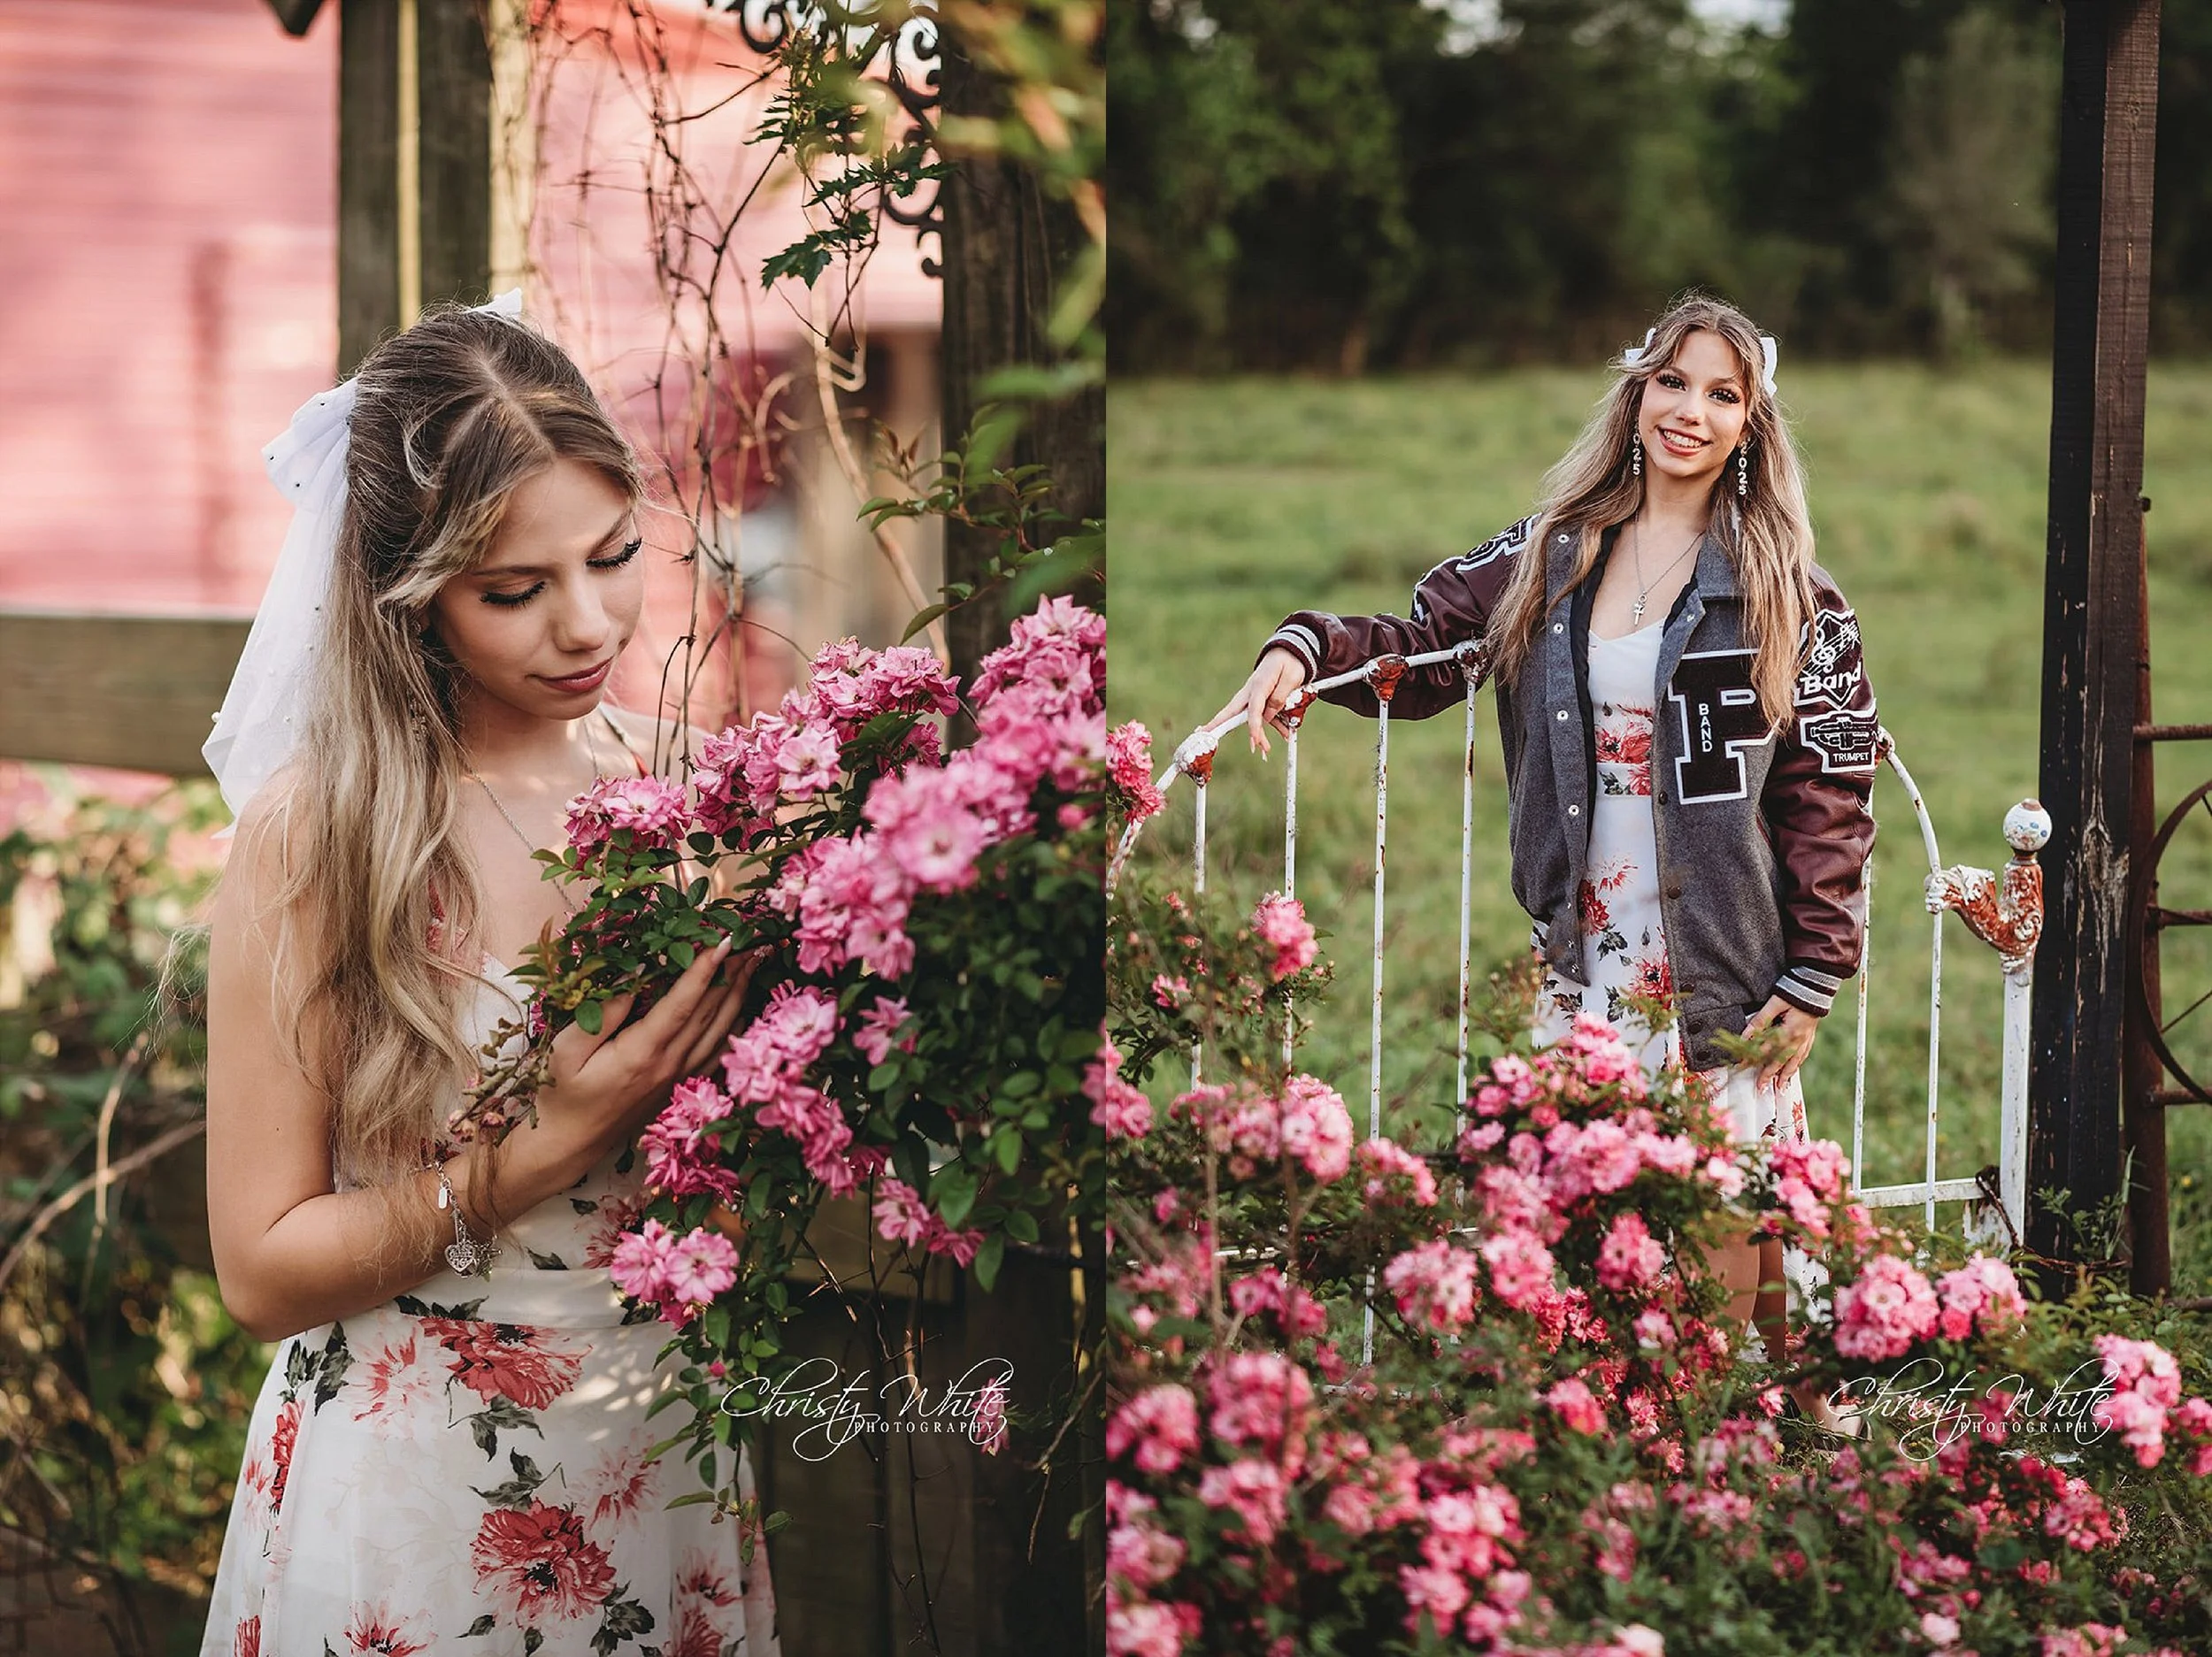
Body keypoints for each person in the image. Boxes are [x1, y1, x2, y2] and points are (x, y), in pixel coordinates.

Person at [198, 294, 781, 1653]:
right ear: (408, 593)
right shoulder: (324, 834)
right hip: (411, 1488)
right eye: (514, 591)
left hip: (658, 1448)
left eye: (614, 555)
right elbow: (261, 1272)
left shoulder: (692, 791)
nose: (587, 624)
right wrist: (539, 1153)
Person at [1210, 293, 1878, 1432]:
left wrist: (1817, 971)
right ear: (1637, 391)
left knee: (1726, 1220)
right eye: (1673, 381)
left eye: (1723, 394)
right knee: (1583, 1223)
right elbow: (1422, 649)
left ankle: (1761, 1443)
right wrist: (1304, 648)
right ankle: (1618, 1447)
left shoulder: (1789, 592)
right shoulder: (1551, 554)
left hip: (1724, 961)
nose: (1690, 411)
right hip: (1585, 955)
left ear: (1752, 425)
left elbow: (1831, 788)